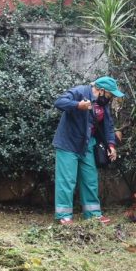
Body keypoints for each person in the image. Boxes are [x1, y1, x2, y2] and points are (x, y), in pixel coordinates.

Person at [53, 76, 124, 225]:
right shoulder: (80, 92)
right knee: (67, 181)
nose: (111, 98)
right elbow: (59, 102)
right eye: (110, 94)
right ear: (102, 90)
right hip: (68, 142)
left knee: (90, 179)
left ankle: (93, 214)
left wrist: (111, 145)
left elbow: (108, 125)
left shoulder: (103, 104)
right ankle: (64, 216)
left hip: (88, 144)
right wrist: (78, 105)